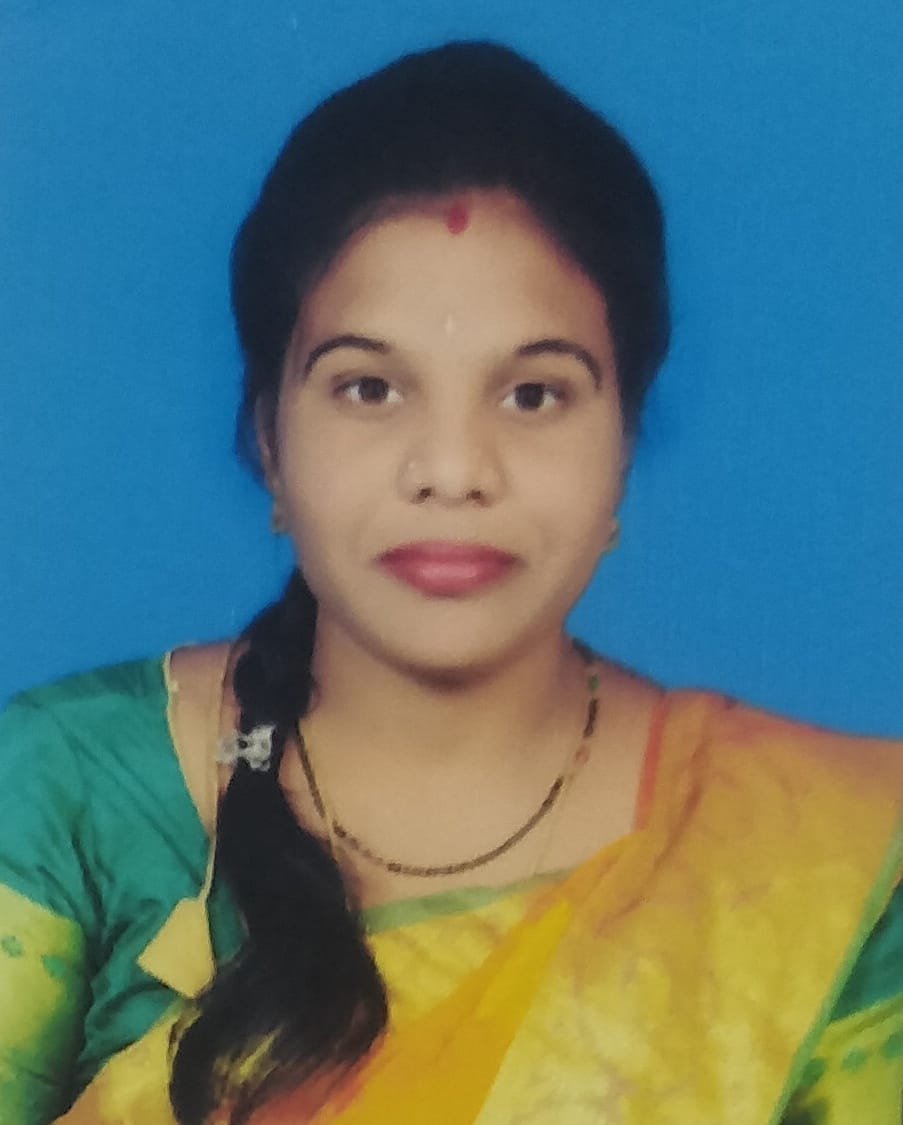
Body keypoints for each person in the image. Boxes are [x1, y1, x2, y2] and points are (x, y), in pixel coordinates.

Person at [1, 40, 901, 1125]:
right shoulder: (66, 796)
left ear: (622, 444)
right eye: (369, 388)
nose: (453, 469)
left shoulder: (820, 862)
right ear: (270, 441)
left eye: (533, 395)